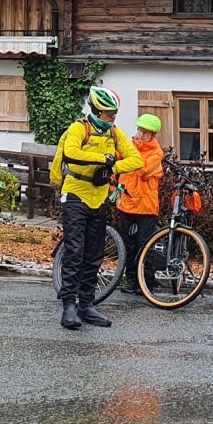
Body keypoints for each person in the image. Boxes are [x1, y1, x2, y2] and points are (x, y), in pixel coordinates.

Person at [50, 86, 142, 330]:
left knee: (94, 253)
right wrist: (103, 159)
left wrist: (112, 169)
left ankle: (86, 305)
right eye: (110, 113)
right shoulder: (79, 128)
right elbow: (71, 152)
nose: (114, 117)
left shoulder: (114, 133)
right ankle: (69, 305)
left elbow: (136, 159)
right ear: (98, 111)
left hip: (99, 197)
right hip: (76, 194)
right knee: (74, 250)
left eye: (115, 112)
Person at [117, 114, 166, 300]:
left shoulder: (156, 153)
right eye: (139, 130)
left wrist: (132, 150)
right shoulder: (130, 147)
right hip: (127, 203)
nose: (140, 134)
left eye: (145, 132)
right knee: (128, 244)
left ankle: (146, 282)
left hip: (146, 207)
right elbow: (118, 164)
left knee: (145, 246)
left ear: (152, 134)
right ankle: (131, 281)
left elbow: (143, 169)